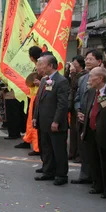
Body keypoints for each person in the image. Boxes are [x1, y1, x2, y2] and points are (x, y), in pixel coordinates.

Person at [81, 67, 106, 199]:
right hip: (92, 130)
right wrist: (85, 129)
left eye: (91, 76)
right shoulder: (92, 91)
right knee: (94, 159)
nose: (89, 79)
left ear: (100, 78)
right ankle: (97, 185)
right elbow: (89, 110)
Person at [32, 53, 70, 186]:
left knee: (58, 149)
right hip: (43, 121)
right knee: (46, 148)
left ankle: (61, 174)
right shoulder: (44, 80)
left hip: (55, 123)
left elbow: (62, 104)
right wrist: (35, 117)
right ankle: (48, 171)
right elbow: (38, 101)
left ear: (50, 65)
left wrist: (56, 121)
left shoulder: (62, 81)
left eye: (41, 64)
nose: (39, 67)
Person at [72, 50, 104, 184]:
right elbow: (77, 97)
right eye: (86, 59)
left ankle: (99, 178)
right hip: (83, 117)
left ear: (99, 61)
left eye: (91, 59)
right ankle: (85, 175)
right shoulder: (82, 78)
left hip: (98, 118)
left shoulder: (105, 76)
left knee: (98, 151)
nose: (87, 61)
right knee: (84, 148)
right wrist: (78, 109)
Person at [68, 55, 86, 160]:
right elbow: (68, 83)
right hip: (72, 103)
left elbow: (74, 85)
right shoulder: (74, 73)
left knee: (78, 130)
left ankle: (79, 154)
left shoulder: (83, 74)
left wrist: (73, 73)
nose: (73, 64)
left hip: (80, 104)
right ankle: (72, 152)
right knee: (73, 130)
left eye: (74, 62)